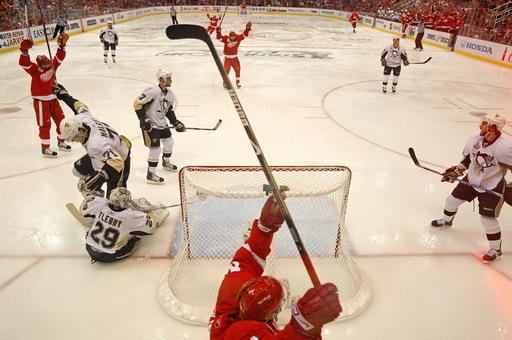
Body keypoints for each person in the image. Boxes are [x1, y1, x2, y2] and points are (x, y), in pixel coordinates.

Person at [209, 192, 342, 339]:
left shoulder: (234, 285)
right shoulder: (246, 332)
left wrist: (264, 229)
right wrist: (303, 328)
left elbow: (248, 257)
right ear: (269, 314)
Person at [431, 113, 512, 263]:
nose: (480, 126)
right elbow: (468, 160)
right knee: (451, 201)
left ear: (493, 127)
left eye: (484, 123)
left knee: (488, 219)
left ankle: (496, 250)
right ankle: (447, 221)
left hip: (492, 184)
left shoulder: (504, 147)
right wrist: (455, 171)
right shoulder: (474, 141)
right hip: (472, 179)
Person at [52, 83, 132, 198]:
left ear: (80, 131)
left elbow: (117, 162)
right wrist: (64, 96)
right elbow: (80, 106)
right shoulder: (83, 119)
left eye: (74, 137)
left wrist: (100, 177)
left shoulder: (96, 144)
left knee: (115, 199)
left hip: (121, 157)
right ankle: (97, 194)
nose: (74, 140)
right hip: (105, 152)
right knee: (77, 170)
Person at [80, 187, 169, 263]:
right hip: (109, 255)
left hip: (89, 248)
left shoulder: (101, 204)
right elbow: (151, 228)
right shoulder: (129, 217)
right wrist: (151, 213)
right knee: (136, 236)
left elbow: (83, 209)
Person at [19, 34, 71, 158]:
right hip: (41, 101)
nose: (48, 65)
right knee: (45, 125)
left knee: (61, 120)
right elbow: (24, 64)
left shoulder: (52, 66)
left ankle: (61, 141)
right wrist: (24, 52)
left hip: (53, 99)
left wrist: (61, 47)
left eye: (48, 63)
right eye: (45, 64)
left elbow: (59, 58)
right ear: (39, 64)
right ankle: (45, 148)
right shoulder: (34, 70)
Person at [133, 69, 186, 184]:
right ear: (162, 80)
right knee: (155, 148)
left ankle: (166, 162)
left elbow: (168, 110)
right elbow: (137, 104)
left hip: (161, 123)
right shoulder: (153, 91)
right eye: (168, 78)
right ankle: (150, 174)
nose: (171, 80)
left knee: (169, 142)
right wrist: (144, 120)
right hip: (151, 125)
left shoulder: (170, 94)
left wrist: (175, 122)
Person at [216, 22, 252, 89]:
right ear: (229, 36)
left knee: (238, 70)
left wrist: (247, 29)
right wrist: (218, 32)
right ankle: (225, 82)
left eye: (234, 36)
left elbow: (244, 35)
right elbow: (219, 38)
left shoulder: (238, 38)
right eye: (231, 36)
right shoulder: (226, 39)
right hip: (227, 58)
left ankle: (238, 82)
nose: (233, 37)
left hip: (235, 58)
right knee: (226, 71)